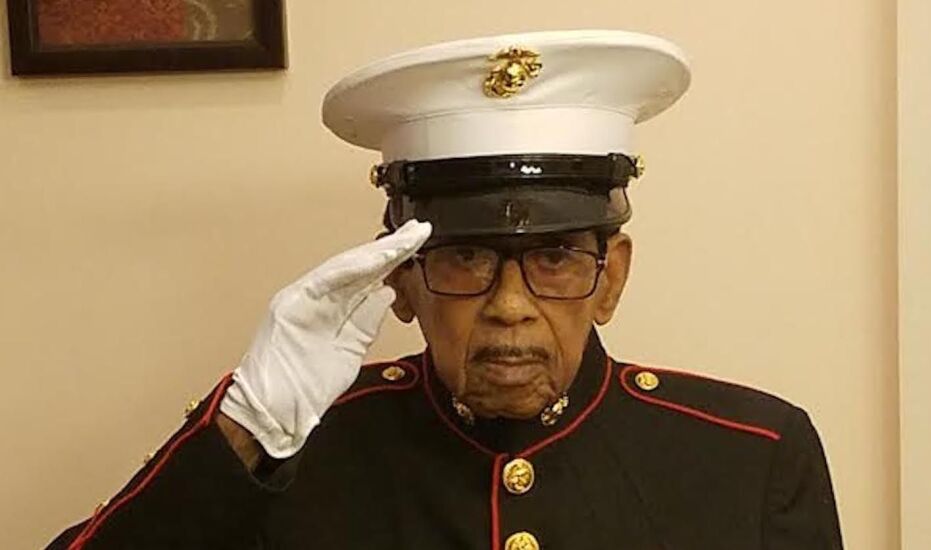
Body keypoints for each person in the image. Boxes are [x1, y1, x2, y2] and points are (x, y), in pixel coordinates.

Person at [49, 30, 843, 550]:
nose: (510, 306)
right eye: (464, 258)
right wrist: (248, 425)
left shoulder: (751, 458)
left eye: (555, 258)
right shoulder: (300, 455)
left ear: (612, 279)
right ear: (400, 279)